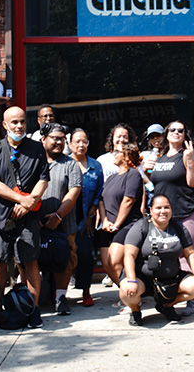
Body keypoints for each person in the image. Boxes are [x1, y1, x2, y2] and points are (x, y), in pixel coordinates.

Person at [0, 106, 50, 329]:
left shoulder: (37, 148)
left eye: (22, 121)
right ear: (5, 125)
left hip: (29, 218)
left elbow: (43, 179)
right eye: (14, 122)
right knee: (0, 263)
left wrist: (31, 201)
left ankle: (33, 310)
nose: (19, 126)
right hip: (2, 217)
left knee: (30, 263)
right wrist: (21, 200)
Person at [143, 120, 194, 316]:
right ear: (166, 134)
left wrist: (190, 162)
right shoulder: (159, 157)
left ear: (185, 135)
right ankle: (170, 296)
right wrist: (146, 170)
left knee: (186, 255)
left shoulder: (190, 154)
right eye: (173, 130)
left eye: (181, 130)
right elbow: (152, 182)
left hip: (186, 210)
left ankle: (192, 299)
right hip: (162, 215)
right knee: (163, 255)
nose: (177, 132)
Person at [119, 194, 194, 326]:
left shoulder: (178, 227)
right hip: (143, 278)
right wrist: (131, 280)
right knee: (126, 291)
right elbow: (129, 255)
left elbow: (191, 254)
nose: (163, 211)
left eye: (166, 207)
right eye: (158, 208)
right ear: (151, 210)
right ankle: (135, 311)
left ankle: (167, 305)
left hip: (171, 278)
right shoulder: (141, 226)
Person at [39, 123, 82, 316]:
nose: (58, 142)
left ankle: (61, 298)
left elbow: (74, 192)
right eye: (54, 138)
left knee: (65, 260)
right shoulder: (34, 162)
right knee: (33, 259)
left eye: (62, 139)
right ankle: (34, 298)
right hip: (36, 222)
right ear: (43, 140)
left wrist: (57, 216)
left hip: (65, 223)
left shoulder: (71, 164)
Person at [97, 143, 144, 289]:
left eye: (117, 152)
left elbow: (128, 200)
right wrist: (104, 221)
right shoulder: (111, 177)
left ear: (126, 157)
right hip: (108, 226)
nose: (113, 154)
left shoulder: (133, 174)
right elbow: (101, 200)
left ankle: (130, 296)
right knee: (106, 263)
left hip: (127, 225)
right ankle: (125, 291)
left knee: (115, 260)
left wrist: (117, 225)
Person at [68, 128, 104, 307]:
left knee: (85, 255)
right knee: (63, 255)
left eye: (85, 142)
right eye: (77, 141)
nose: (81, 145)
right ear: (70, 144)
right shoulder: (63, 164)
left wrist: (91, 214)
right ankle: (57, 293)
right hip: (65, 219)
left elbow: (99, 192)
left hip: (85, 221)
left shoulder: (95, 166)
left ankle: (86, 291)